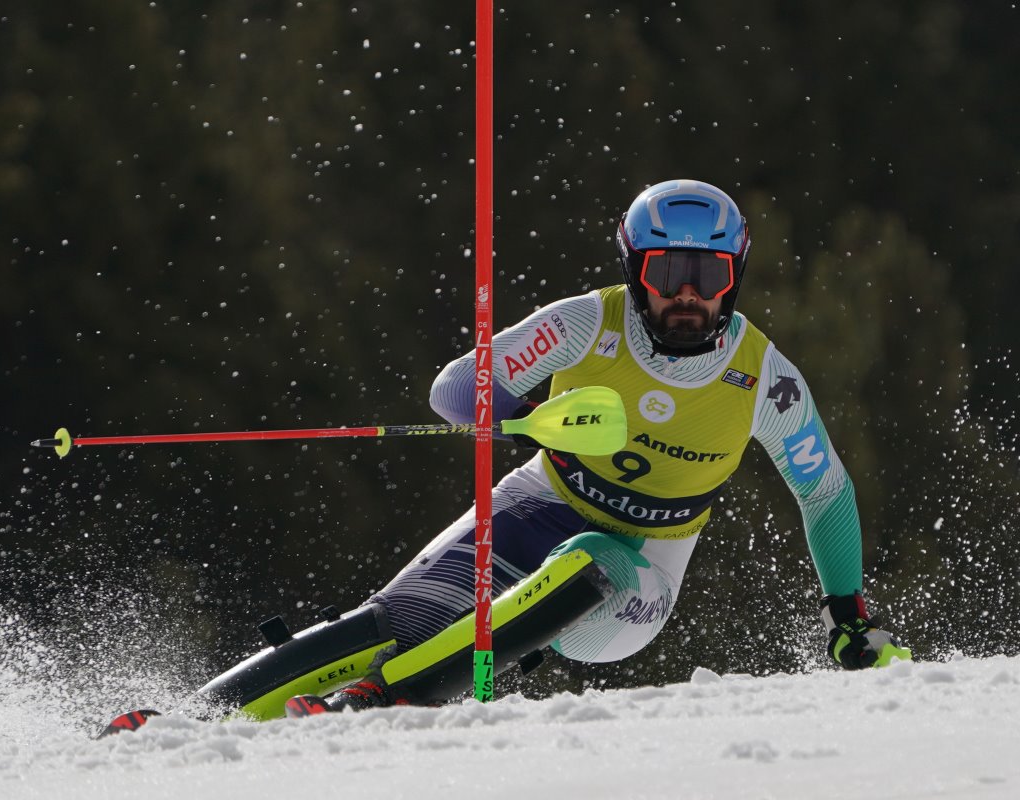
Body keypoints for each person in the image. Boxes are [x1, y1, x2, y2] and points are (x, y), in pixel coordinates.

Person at [103, 179, 910, 734]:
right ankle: (190, 723)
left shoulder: (761, 375)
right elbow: (455, 390)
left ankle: (382, 699)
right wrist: (532, 418)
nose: (690, 294)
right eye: (671, 272)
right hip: (537, 501)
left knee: (587, 556)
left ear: (733, 278)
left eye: (710, 273)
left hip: (638, 573)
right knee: (396, 619)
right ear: (637, 270)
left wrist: (849, 619)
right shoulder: (585, 324)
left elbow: (825, 493)